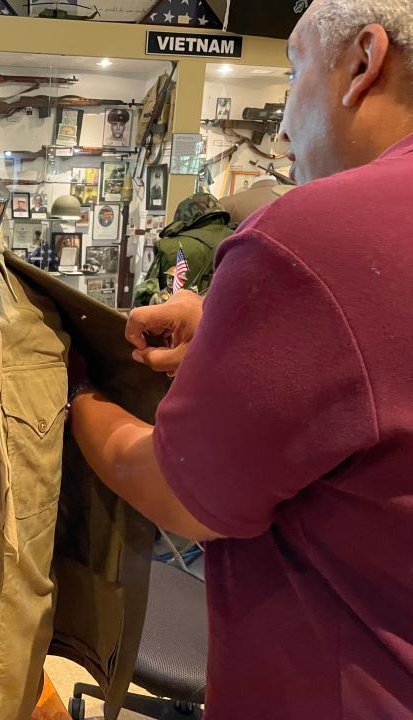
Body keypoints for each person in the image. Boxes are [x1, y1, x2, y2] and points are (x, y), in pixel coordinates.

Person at [69, 2, 413, 716]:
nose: (284, 125)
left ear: (363, 61)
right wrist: (231, 331)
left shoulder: (317, 234)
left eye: (293, 72)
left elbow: (178, 494)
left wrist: (77, 392)